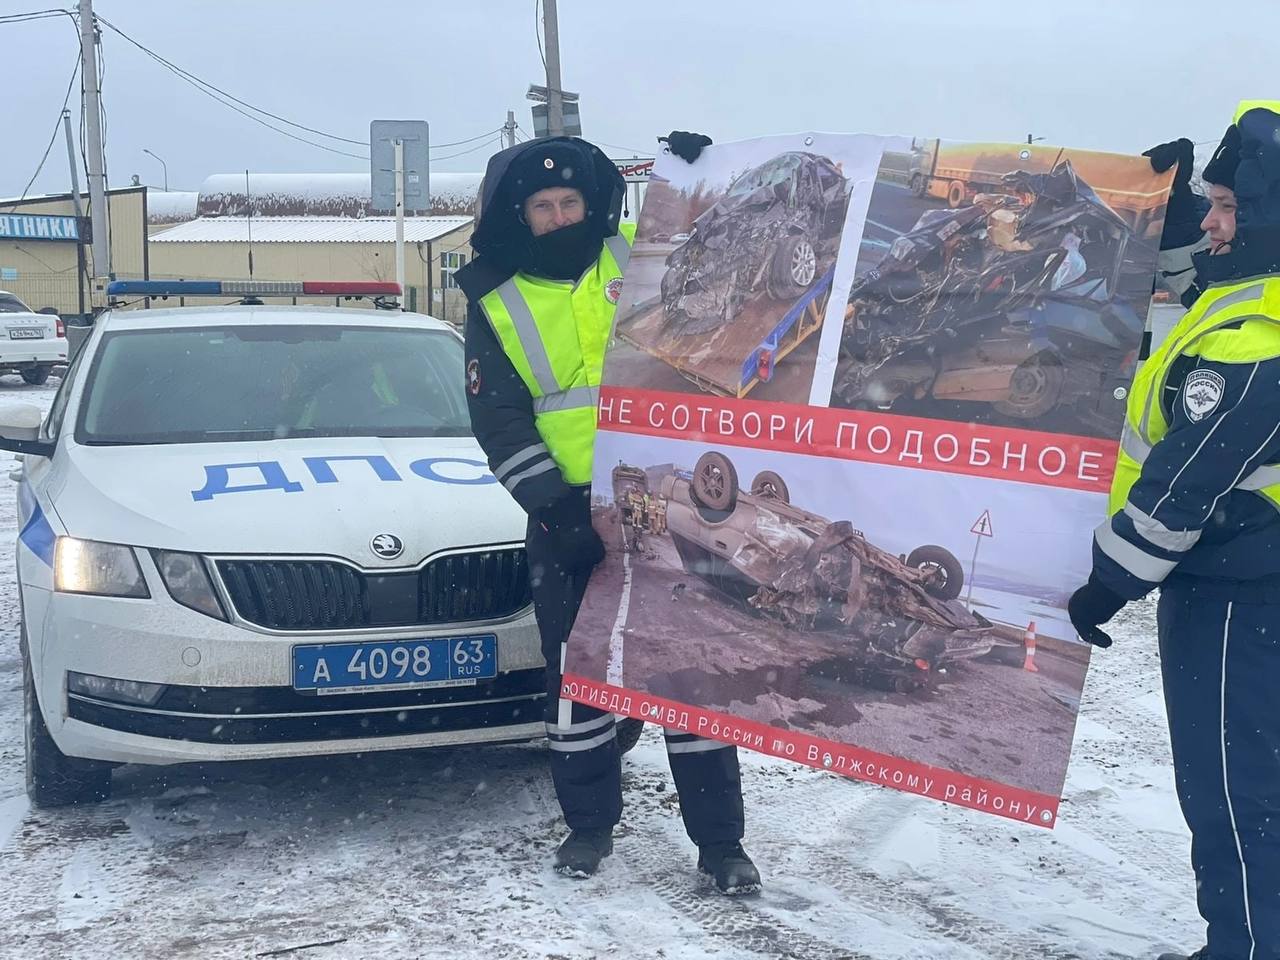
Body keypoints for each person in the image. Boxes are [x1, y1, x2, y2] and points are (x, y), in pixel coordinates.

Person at [456, 131, 761, 893]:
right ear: (521, 215)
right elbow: (499, 420)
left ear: (594, 205)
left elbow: (722, 249)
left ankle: (721, 845)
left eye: (572, 203)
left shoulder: (638, 254)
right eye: (543, 206)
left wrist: (701, 173)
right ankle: (590, 828)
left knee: (693, 682)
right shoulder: (495, 297)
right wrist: (556, 512)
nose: (560, 217)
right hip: (569, 519)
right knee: (580, 684)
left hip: (670, 505)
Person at [1068, 101, 1280, 960]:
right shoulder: (1239, 294)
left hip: (1234, 596)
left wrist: (1108, 583)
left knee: (1234, 789)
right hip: (1243, 584)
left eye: (1228, 206)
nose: (1215, 224)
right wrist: (1169, 193)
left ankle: (1247, 946)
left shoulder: (1256, 334)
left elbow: (1182, 487)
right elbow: (1181, 259)